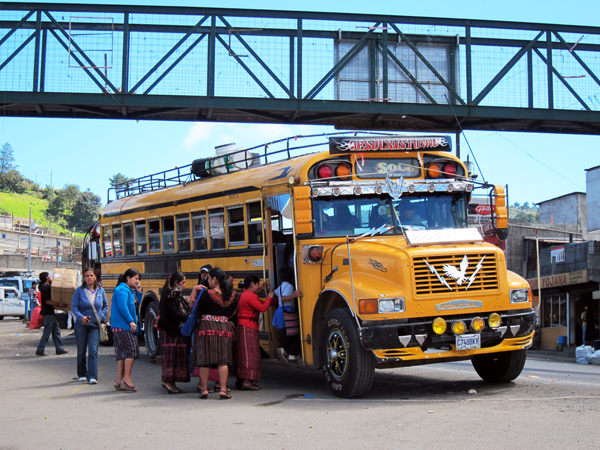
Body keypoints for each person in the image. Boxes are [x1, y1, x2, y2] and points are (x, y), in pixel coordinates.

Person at [191, 267, 238, 400]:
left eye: (209, 278)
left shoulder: (206, 294)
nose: (208, 281)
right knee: (223, 360)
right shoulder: (233, 296)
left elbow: (193, 306)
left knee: (205, 359)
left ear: (214, 279)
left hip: (206, 327)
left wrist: (194, 290)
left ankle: (204, 389)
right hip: (224, 328)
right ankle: (223, 389)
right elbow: (233, 313)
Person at [235, 275, 275, 390]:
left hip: (245, 326)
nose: (258, 287)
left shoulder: (247, 294)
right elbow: (262, 308)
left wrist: (275, 300)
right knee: (250, 355)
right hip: (248, 326)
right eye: (257, 284)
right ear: (252, 284)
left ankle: (242, 379)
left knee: (243, 355)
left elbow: (262, 303)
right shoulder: (249, 295)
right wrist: (269, 297)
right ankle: (247, 382)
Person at [71, 267, 108, 384]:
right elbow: (74, 307)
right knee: (81, 350)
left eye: (91, 275)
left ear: (95, 277)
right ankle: (82, 373)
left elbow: (106, 306)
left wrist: (101, 317)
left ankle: (92, 376)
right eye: (87, 276)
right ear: (83, 278)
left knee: (93, 351)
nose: (89, 278)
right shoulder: (79, 291)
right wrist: (81, 317)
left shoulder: (100, 291)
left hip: (95, 326)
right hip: (81, 325)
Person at [157, 272, 191, 394]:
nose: (185, 285)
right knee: (173, 358)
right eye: (183, 282)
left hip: (173, 330)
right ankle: (169, 382)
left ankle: (170, 382)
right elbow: (173, 314)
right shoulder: (172, 295)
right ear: (176, 283)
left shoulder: (171, 294)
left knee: (173, 358)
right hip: (173, 331)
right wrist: (187, 318)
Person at [111, 268, 143, 392]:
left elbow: (135, 306)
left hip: (121, 326)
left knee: (122, 354)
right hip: (123, 326)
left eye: (138, 279)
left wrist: (139, 292)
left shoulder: (129, 291)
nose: (137, 281)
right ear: (128, 278)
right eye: (135, 278)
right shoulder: (121, 290)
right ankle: (127, 378)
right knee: (132, 350)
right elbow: (122, 306)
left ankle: (119, 380)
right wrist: (131, 321)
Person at [36, 272, 69, 357]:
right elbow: (47, 301)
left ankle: (59, 349)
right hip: (48, 313)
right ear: (47, 277)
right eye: (50, 276)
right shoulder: (45, 287)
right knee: (47, 332)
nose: (51, 278)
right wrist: (58, 304)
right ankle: (40, 350)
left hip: (49, 313)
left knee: (56, 331)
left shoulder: (43, 287)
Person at [274, 267, 301, 363]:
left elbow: (276, 293)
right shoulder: (289, 286)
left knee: (286, 331)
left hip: (281, 310)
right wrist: (294, 295)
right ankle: (292, 353)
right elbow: (283, 298)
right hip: (289, 311)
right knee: (295, 332)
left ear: (280, 277)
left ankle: (286, 350)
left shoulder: (281, 286)